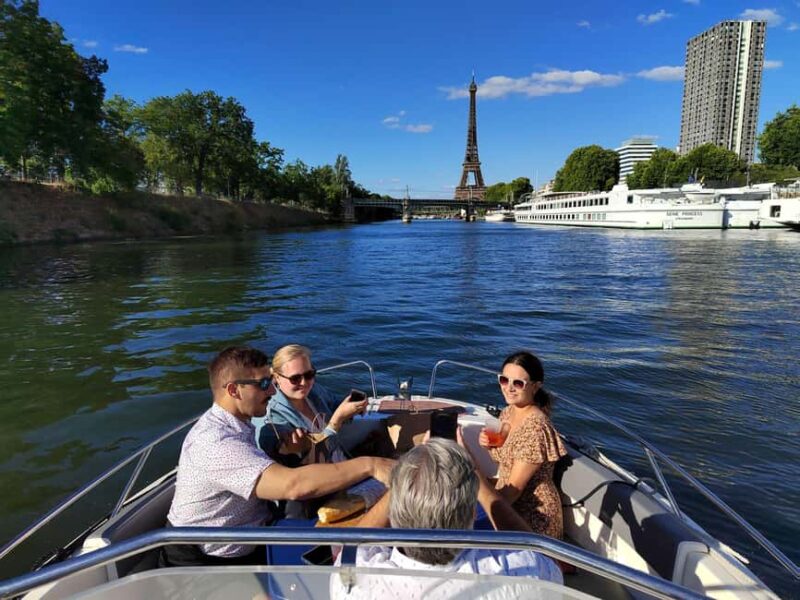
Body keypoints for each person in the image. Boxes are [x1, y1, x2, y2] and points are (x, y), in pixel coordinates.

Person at [164, 345, 394, 566]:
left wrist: (287, 451)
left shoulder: (239, 424)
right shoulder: (216, 443)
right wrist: (371, 465)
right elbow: (293, 486)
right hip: (209, 560)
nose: (273, 391)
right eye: (264, 384)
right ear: (234, 390)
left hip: (256, 534)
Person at [329, 437, 563, 600]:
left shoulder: (352, 583)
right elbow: (540, 553)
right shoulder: (527, 573)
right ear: (473, 513)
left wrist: (408, 482)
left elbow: (352, 544)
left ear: (395, 514)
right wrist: (477, 478)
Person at [478, 351, 567, 539]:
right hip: (507, 502)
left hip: (533, 516)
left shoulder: (535, 427)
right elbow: (504, 460)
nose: (508, 388)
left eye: (518, 383)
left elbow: (513, 491)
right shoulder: (508, 412)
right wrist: (488, 446)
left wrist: (480, 507)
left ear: (535, 386)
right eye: (504, 380)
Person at [257, 344, 367, 465]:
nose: (304, 383)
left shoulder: (313, 390)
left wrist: (356, 407)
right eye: (295, 378)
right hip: (325, 472)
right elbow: (303, 463)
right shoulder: (273, 418)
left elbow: (334, 404)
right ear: (277, 377)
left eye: (309, 375)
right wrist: (336, 421)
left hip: (342, 460)